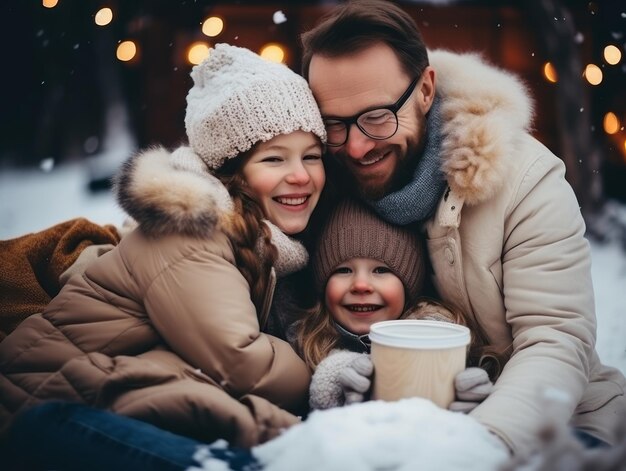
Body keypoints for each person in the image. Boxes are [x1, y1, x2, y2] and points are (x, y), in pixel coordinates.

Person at [299, 0, 626, 456]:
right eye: (334, 124)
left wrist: (478, 441)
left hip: (550, 426)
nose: (355, 147)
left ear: (426, 90)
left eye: (376, 117)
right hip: (382, 425)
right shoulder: (316, 175)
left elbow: (554, 338)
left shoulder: (523, 180)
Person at [0, 43, 328, 450]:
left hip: (93, 399)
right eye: (275, 160)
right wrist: (322, 369)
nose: (300, 175)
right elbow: (244, 364)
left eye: (312, 156)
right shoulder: (192, 232)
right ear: (232, 174)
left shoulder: (261, 242)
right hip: (43, 413)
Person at [298, 198, 495, 412]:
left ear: (409, 284)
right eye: (343, 270)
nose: (361, 285)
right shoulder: (306, 346)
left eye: (381, 270)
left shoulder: (440, 341)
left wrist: (474, 402)